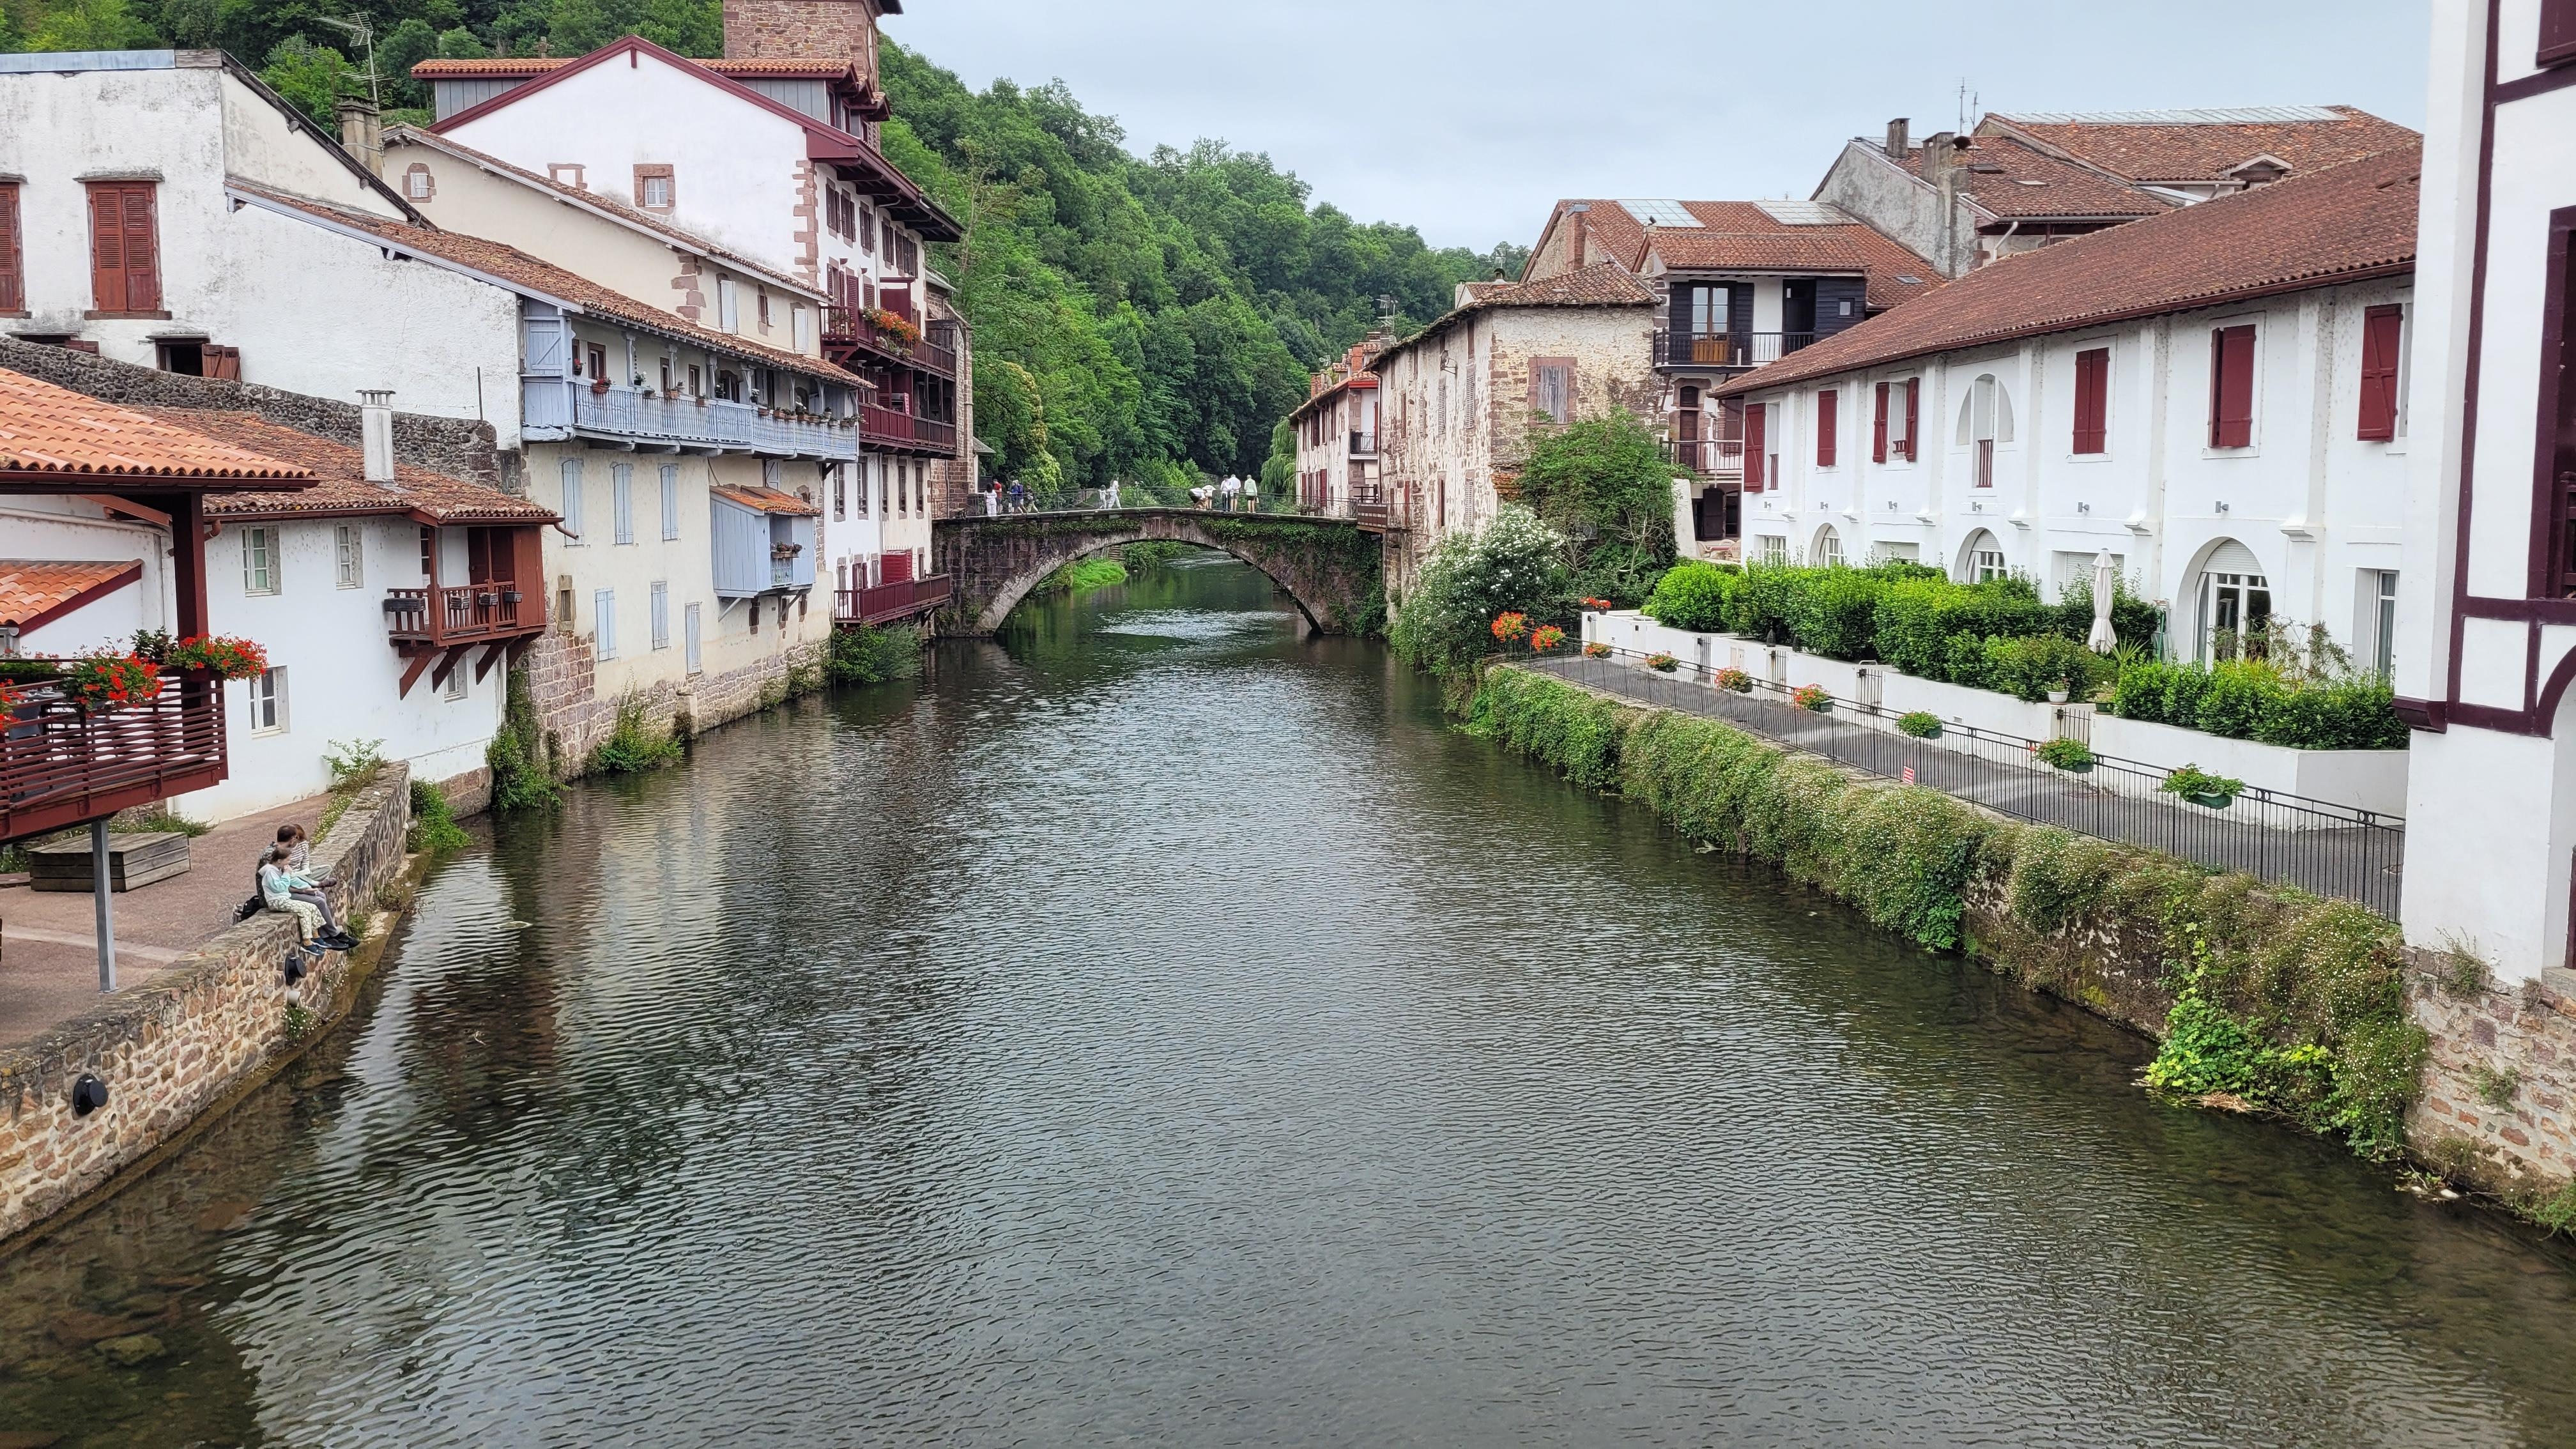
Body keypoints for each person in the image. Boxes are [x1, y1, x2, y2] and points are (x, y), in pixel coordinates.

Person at [260, 843, 356, 952]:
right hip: (277, 900)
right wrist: (287, 874)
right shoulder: (270, 872)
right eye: (287, 860)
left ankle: (318, 937)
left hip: (283, 897)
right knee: (306, 910)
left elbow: (286, 885)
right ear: (279, 861)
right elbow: (280, 888)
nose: (289, 863)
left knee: (313, 906)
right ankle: (308, 942)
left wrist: (304, 889)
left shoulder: (278, 869)